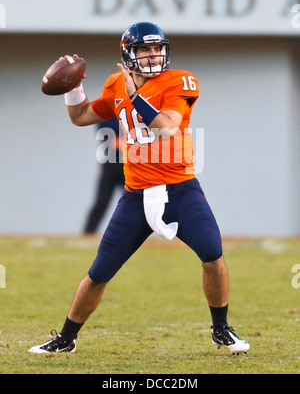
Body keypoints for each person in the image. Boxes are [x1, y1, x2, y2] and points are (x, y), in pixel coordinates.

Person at [29, 21, 250, 355]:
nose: (152, 55)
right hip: (135, 195)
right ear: (128, 53)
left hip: (180, 190)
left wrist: (134, 95)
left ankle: (221, 329)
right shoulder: (116, 83)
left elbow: (167, 128)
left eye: (157, 48)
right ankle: (66, 337)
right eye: (144, 50)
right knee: (99, 271)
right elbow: (82, 116)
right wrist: (73, 88)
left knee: (212, 254)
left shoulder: (180, 80)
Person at [83, 117, 124, 235]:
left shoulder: (134, 107)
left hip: (131, 163)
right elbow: (109, 139)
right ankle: (88, 234)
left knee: (138, 202)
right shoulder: (105, 111)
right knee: (101, 202)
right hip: (110, 164)